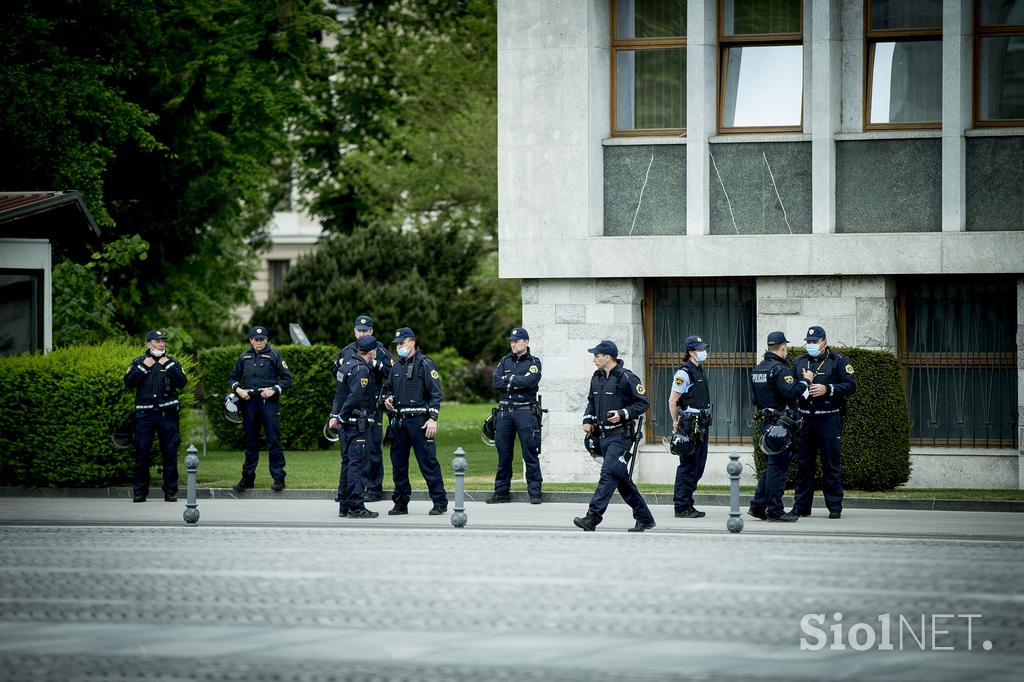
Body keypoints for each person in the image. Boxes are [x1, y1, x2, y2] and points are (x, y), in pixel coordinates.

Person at [573, 340, 655, 533]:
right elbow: (591, 402)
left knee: (608, 473)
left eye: (596, 355)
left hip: (621, 436)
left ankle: (592, 518)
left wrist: (622, 413)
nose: (594, 359)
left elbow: (643, 403)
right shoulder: (597, 377)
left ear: (607, 357)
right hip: (603, 436)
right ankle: (644, 518)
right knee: (620, 478)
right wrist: (587, 420)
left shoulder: (627, 378)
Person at [790, 325, 857, 519]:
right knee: (803, 465)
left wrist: (828, 389)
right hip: (805, 419)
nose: (811, 345)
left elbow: (850, 385)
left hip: (829, 418)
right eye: (808, 342)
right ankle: (802, 507)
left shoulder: (838, 360)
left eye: (814, 342)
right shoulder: (799, 361)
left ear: (824, 342)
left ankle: (834, 506)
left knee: (831, 464)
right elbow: (791, 386)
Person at [748, 332, 813, 522]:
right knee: (778, 469)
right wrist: (806, 380)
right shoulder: (779, 370)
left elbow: (755, 399)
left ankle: (758, 506)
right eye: (786, 348)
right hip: (780, 426)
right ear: (783, 347)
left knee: (771, 467)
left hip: (766, 423)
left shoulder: (758, 369)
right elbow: (791, 392)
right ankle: (775, 510)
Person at [383, 327, 448, 515]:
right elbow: (389, 388)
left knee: (428, 463)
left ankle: (439, 502)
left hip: (419, 421)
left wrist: (433, 418)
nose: (399, 347)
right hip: (399, 422)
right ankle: (401, 503)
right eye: (397, 344)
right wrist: (388, 398)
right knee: (398, 465)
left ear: (412, 342)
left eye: (402, 343)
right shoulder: (396, 366)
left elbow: (436, 394)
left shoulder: (425, 364)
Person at [331, 315, 392, 502]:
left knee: (373, 447)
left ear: (371, 331)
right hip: (350, 407)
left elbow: (392, 375)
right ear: (354, 331)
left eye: (365, 330)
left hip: (372, 405)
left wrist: (375, 364)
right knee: (350, 451)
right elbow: (337, 374)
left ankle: (373, 488)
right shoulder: (347, 350)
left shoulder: (379, 350)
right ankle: (352, 489)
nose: (362, 333)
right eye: (359, 330)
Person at [123, 330, 188, 503]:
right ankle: (139, 492)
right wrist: (145, 366)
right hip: (145, 415)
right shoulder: (138, 362)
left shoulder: (172, 362)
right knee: (142, 454)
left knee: (169, 453)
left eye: (162, 342)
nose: (161, 344)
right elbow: (129, 382)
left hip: (168, 415)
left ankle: (170, 492)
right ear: (148, 344)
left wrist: (168, 366)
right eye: (157, 341)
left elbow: (182, 383)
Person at [228, 326, 293, 492]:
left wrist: (274, 389)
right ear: (251, 340)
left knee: (273, 441)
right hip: (249, 402)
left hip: (268, 403)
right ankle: (247, 479)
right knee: (250, 442)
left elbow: (287, 378)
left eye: (262, 339)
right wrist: (238, 390)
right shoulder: (244, 357)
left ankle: (279, 478)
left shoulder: (275, 355)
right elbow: (232, 378)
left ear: (266, 339)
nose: (259, 342)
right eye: (256, 339)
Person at [487, 327, 543, 504]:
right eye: (511, 341)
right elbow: (496, 382)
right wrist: (516, 381)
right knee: (503, 454)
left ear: (525, 342)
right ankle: (501, 492)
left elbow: (530, 381)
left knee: (530, 453)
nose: (513, 344)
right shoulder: (505, 361)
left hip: (525, 411)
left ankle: (534, 492)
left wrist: (509, 380)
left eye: (516, 341)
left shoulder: (534, 362)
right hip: (505, 413)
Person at [329, 335, 381, 519]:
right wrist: (341, 417)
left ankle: (344, 505)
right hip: (356, 424)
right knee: (357, 465)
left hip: (345, 425)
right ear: (372, 351)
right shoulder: (361, 369)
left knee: (347, 464)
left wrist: (334, 416)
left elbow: (338, 394)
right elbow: (354, 397)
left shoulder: (345, 366)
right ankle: (356, 506)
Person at [668, 335, 712, 519]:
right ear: (692, 352)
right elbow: (673, 400)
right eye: (700, 349)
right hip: (689, 424)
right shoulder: (683, 373)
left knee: (698, 466)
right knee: (688, 466)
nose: (704, 352)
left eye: (704, 348)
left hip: (701, 424)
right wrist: (676, 421)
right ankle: (682, 506)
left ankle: (687, 502)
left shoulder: (698, 369)